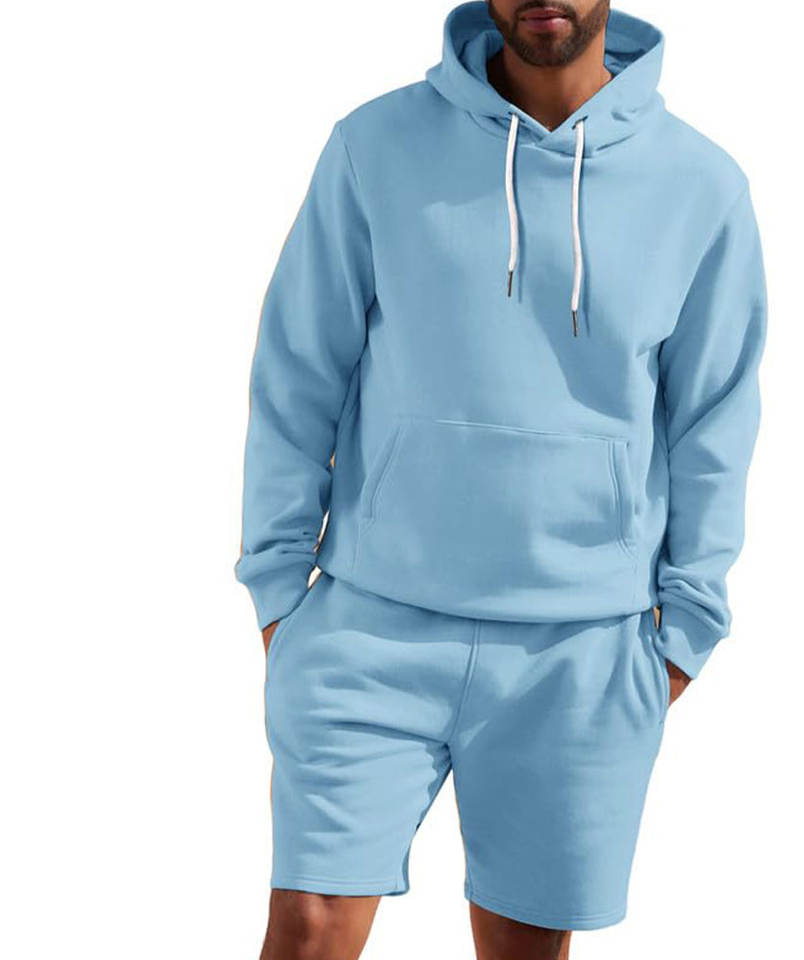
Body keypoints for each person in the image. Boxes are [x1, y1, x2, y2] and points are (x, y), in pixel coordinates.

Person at [236, 2, 767, 957]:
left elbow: (713, 423)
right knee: (309, 930)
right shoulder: (374, 147)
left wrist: (684, 633)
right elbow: (298, 368)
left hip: (579, 652)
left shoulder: (701, 185)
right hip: (370, 624)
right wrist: (279, 587)